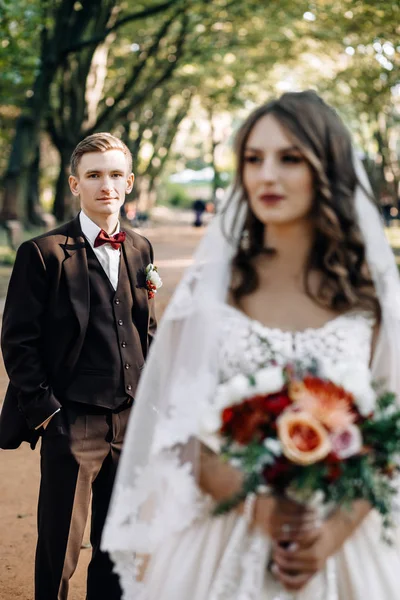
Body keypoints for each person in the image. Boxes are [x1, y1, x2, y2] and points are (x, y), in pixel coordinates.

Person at [102, 92, 400, 599]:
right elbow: (172, 427)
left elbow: (389, 439)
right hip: (224, 536)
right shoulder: (212, 291)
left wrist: (330, 534)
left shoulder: (368, 298)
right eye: (254, 159)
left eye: (290, 158)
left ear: (326, 168)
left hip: (340, 541)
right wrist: (255, 505)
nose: (267, 175)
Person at [0, 133, 157, 600]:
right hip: (72, 420)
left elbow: (144, 330)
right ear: (75, 184)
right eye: (93, 176)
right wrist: (48, 413)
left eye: (113, 175)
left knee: (116, 546)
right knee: (60, 547)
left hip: (128, 421)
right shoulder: (43, 252)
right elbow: (18, 341)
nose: (104, 185)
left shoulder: (141, 249)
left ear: (128, 182)